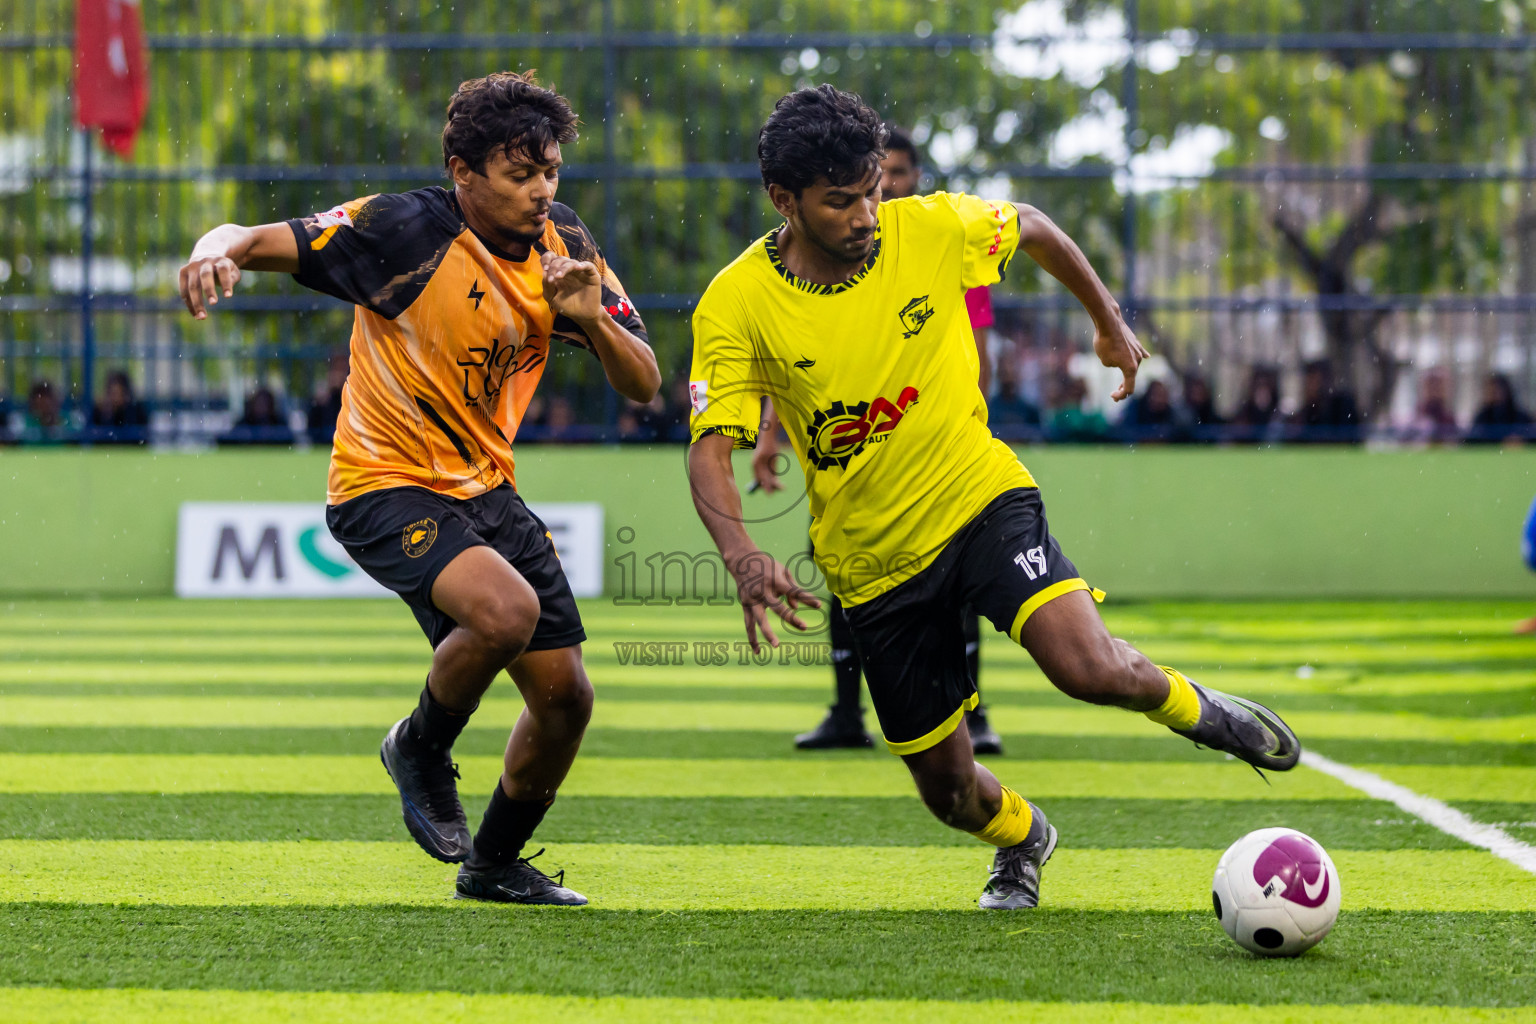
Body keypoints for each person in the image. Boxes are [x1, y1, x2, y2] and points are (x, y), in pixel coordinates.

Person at [686, 86, 1299, 910]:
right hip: (872, 563)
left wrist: (1107, 321)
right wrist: (743, 556)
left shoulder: (928, 226)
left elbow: (1036, 224)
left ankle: (1201, 710)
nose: (867, 214)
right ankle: (1023, 838)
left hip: (978, 496)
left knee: (1085, 667)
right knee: (947, 794)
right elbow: (708, 448)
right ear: (783, 201)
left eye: (873, 190)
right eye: (841, 202)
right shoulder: (735, 302)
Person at [176, 71, 659, 905]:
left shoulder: (565, 244)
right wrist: (211, 250)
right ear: (462, 171)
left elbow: (645, 383)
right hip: (381, 484)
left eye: (550, 172)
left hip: (486, 489)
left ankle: (494, 864)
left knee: (567, 700)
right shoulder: (401, 230)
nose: (542, 191)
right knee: (504, 614)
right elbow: (253, 237)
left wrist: (587, 314)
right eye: (520, 175)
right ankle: (421, 748)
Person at [752, 123, 1005, 755]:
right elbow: (800, 363)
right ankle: (846, 713)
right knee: (848, 576)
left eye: (889, 178)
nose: (879, 191)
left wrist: (966, 415)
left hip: (935, 450)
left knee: (962, 585)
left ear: (910, 180)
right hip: (852, 465)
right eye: (870, 179)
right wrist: (767, 435)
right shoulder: (807, 258)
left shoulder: (936, 241)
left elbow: (976, 345)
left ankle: (973, 714)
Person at [1468, 373, 1533, 445]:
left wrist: (1520, 440)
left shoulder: (1519, 416)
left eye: (1497, 391)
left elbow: (1530, 434)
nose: (1494, 394)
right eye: (1491, 391)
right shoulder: (1482, 416)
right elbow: (1473, 439)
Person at [89, 369, 150, 444]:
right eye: (112, 393)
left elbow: (143, 437)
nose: (115, 398)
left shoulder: (136, 411)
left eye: (118, 393)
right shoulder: (99, 412)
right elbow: (93, 436)